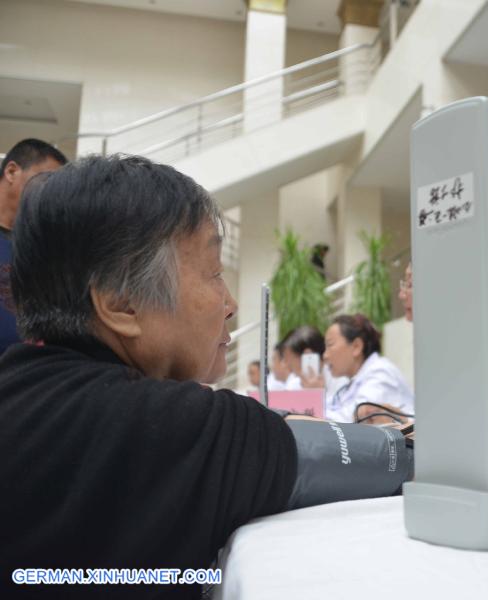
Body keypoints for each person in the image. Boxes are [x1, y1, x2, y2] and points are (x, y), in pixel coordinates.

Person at [0, 155, 412, 599]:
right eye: (214, 273)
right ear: (120, 304)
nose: (230, 303)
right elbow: (397, 460)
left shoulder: (26, 390)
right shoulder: (163, 425)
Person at [398, 262, 488, 413]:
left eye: (409, 284)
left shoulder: (483, 349)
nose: (401, 295)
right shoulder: (440, 346)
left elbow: (485, 428)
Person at [0, 138, 67, 355]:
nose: (50, 194)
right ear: (11, 172)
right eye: (45, 180)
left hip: (22, 375)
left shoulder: (44, 248)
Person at [323, 313, 415, 423]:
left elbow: (351, 420)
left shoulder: (381, 372)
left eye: (330, 345)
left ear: (356, 346)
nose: (325, 355)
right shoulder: (351, 382)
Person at [280, 324, 350, 406]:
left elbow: (342, 416)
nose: (285, 364)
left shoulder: (340, 379)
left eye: (287, 358)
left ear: (307, 354)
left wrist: (318, 396)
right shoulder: (293, 385)